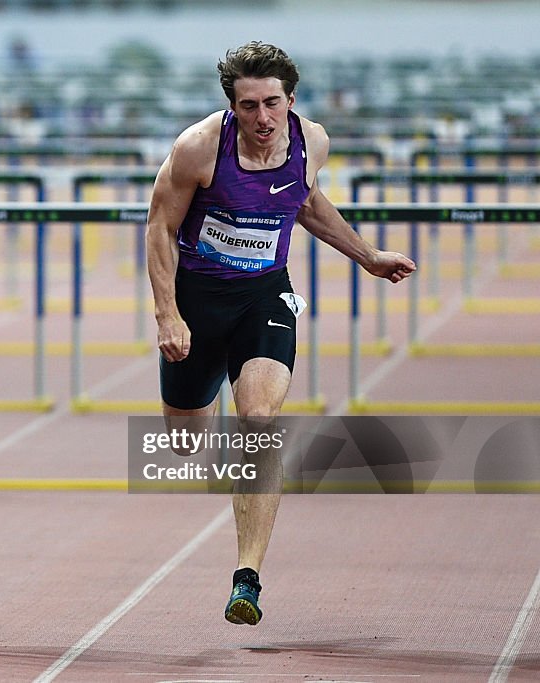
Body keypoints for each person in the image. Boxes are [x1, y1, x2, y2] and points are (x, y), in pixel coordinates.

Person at [145, 42, 415, 627]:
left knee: (259, 422)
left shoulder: (311, 141)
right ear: (231, 107)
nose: (262, 119)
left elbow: (307, 202)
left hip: (264, 298)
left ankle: (247, 577)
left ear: (290, 100)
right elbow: (160, 226)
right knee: (186, 445)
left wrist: (366, 255)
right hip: (197, 303)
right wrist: (168, 314)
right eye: (249, 106)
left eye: (272, 103)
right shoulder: (198, 148)